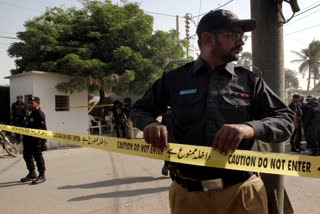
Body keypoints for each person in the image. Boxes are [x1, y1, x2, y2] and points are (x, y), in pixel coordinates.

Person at [130, 9, 294, 214]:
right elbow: (139, 110)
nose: (241, 42)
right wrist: (150, 124)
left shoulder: (250, 81)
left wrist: (250, 128)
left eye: (242, 36)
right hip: (188, 196)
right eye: (233, 35)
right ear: (208, 38)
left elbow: (285, 120)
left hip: (241, 194)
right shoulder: (175, 79)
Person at [20, 96, 47, 185]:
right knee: (26, 156)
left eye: (32, 103)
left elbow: (44, 129)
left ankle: (42, 175)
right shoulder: (30, 113)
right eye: (29, 103)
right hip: (27, 140)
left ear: (37, 104)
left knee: (38, 158)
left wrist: (43, 142)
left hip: (36, 141)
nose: (29, 104)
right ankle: (32, 173)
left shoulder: (39, 114)